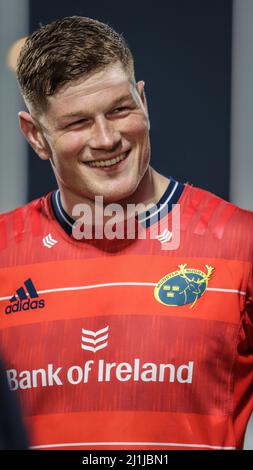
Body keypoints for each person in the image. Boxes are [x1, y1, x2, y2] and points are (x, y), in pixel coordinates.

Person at [0, 15, 252, 451]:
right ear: (36, 136)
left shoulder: (241, 241)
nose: (107, 139)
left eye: (120, 110)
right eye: (78, 123)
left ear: (144, 101)